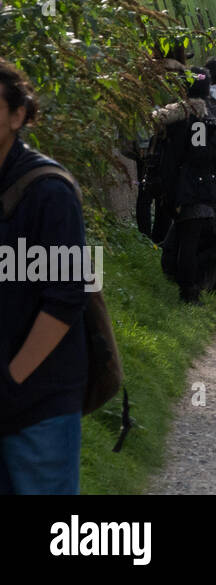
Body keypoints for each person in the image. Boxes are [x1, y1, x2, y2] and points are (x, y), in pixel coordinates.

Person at [0, 60, 88, 495]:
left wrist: (11, 381)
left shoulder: (47, 192)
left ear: (18, 116)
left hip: (38, 405)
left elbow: (65, 299)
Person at [153, 74, 216, 304]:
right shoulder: (196, 121)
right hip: (193, 188)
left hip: (174, 186)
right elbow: (199, 155)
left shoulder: (172, 119)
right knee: (189, 243)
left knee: (183, 240)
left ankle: (182, 283)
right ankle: (189, 292)